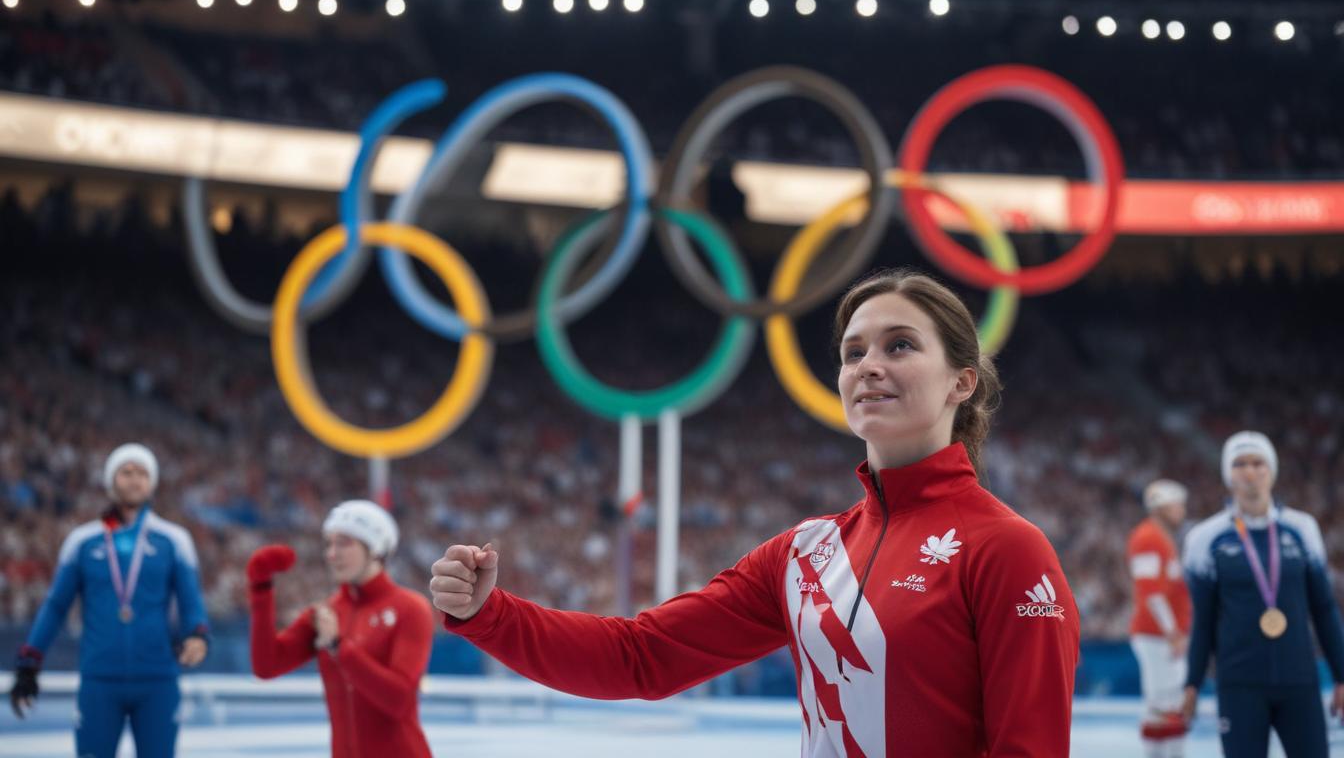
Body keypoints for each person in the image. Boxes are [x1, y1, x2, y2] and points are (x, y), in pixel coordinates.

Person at [431, 268, 1080, 756]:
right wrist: (490, 614)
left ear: (961, 381)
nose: (869, 367)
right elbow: (639, 657)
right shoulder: (805, 554)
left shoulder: (1006, 550)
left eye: (900, 346)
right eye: (854, 352)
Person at [9, 443, 210, 758]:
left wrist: (197, 634)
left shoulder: (174, 540)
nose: (134, 479)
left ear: (152, 483)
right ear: (111, 480)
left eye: (142, 473)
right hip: (99, 680)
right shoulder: (82, 542)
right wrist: (29, 662)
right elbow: (56, 606)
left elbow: (191, 601)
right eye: (126, 472)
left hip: (157, 680)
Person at [1181, 431, 1344, 757]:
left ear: (1271, 470)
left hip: (1299, 682)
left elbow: (1324, 608)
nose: (1250, 472)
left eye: (1258, 463)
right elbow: (1204, 620)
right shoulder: (1205, 539)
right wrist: (1192, 684)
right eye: (1240, 464)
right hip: (1239, 685)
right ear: (1228, 474)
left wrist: (1342, 675)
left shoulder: (1302, 529)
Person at [247, 499, 434, 758]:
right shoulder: (326, 613)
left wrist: (339, 646)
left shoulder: (410, 608)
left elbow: (399, 700)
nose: (332, 554)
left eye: (344, 543)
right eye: (329, 544)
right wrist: (261, 588)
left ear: (375, 549)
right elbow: (266, 666)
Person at [1128, 479, 1193, 758]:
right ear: (1162, 507)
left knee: (1168, 704)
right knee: (1163, 705)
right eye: (1177, 505)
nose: (1182, 511)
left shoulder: (1159, 537)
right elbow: (1151, 592)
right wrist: (1172, 632)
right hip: (1156, 635)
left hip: (1161, 634)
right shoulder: (1148, 537)